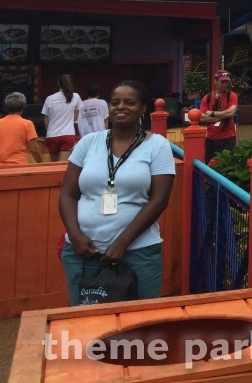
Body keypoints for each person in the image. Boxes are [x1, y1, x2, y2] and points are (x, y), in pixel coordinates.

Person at [58, 80, 176, 305]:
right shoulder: (88, 143)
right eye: (115, 102)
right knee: (85, 323)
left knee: (140, 325)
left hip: (137, 254)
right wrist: (75, 236)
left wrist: (122, 242)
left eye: (130, 102)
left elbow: (159, 200)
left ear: (143, 109)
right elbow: (68, 194)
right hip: (84, 252)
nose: (121, 107)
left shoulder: (157, 146)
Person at [199, 70, 238, 163]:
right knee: (209, 165)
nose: (225, 84)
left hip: (227, 138)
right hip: (211, 138)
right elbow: (201, 117)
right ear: (215, 81)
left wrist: (212, 113)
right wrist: (223, 116)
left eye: (226, 82)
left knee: (228, 164)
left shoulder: (232, 96)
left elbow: (230, 113)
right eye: (222, 82)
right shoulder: (207, 98)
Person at [42, 74, 82, 161]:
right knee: (62, 167)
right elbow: (75, 118)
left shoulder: (49, 98)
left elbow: (46, 121)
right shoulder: (76, 97)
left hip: (52, 135)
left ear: (58, 83)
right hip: (67, 135)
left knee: (53, 167)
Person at [0, 92, 43, 168]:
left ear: (6, 107)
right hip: (20, 166)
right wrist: (40, 163)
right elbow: (34, 149)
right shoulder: (27, 124)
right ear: (24, 107)